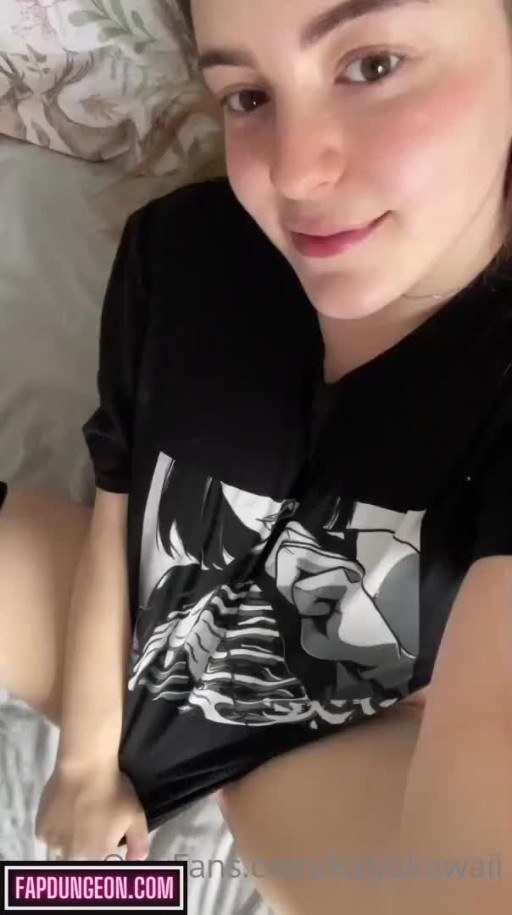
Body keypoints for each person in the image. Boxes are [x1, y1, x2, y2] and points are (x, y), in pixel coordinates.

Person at [2, 0, 512, 911]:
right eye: (247, 95)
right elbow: (119, 506)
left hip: (303, 748)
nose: (294, 171)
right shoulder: (181, 251)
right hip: (124, 633)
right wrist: (82, 765)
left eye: (373, 64)